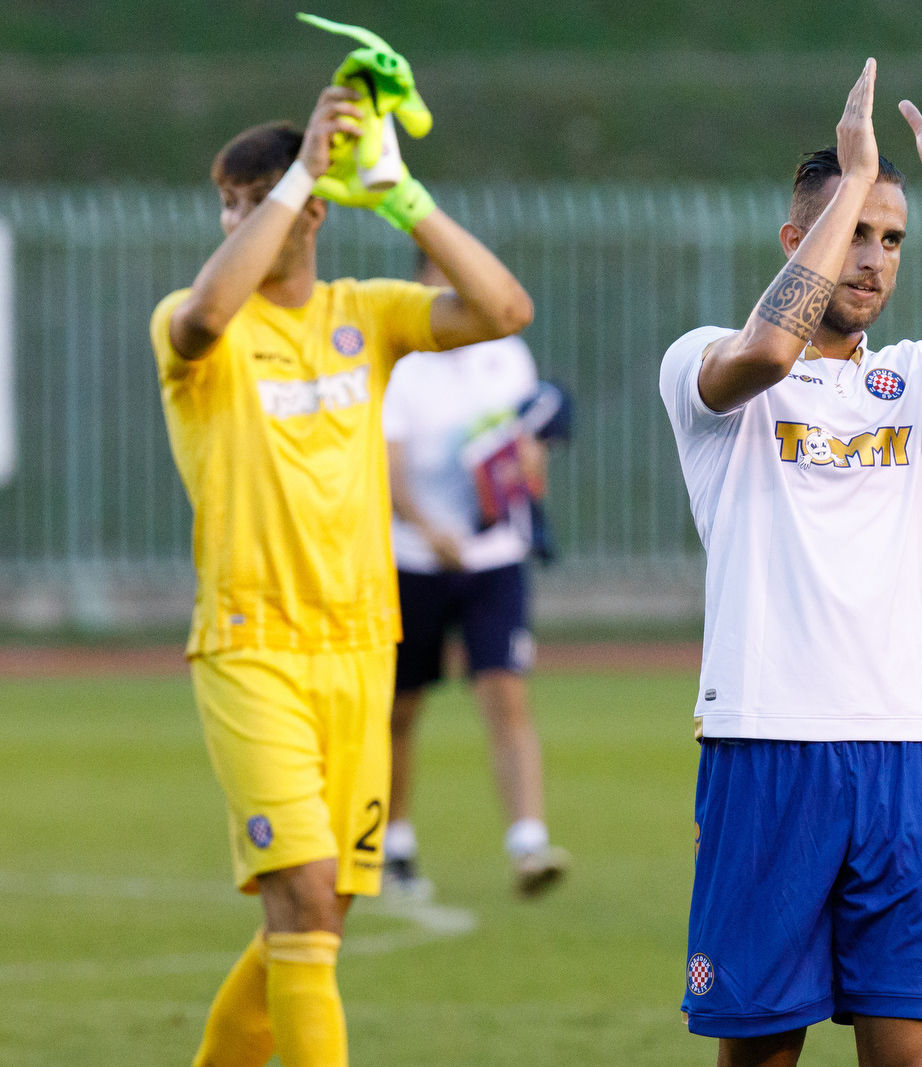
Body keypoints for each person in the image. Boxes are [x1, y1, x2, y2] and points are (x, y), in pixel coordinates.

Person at [659, 43, 922, 1066]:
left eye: (891, 238)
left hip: (900, 753)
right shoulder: (705, 362)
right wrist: (849, 176)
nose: (874, 257)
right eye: (854, 232)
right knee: (762, 1052)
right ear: (800, 236)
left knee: (913, 1054)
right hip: (767, 744)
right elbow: (762, 353)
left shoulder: (912, 383)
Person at [151, 86, 531, 1067]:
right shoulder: (200, 329)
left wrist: (399, 192)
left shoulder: (367, 312)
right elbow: (204, 313)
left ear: (315, 211)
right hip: (253, 645)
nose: (238, 217)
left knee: (316, 916)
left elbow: (504, 307)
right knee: (308, 897)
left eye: (254, 198)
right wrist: (297, 179)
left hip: (361, 645)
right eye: (229, 204)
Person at [382, 252, 572, 897]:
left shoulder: (507, 353)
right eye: (440, 274)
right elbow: (391, 467)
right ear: (421, 282)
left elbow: (529, 460)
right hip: (416, 558)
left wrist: (525, 466)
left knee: (505, 691)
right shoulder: (403, 360)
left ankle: (528, 841)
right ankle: (394, 841)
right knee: (400, 708)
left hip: (494, 558)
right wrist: (429, 532)